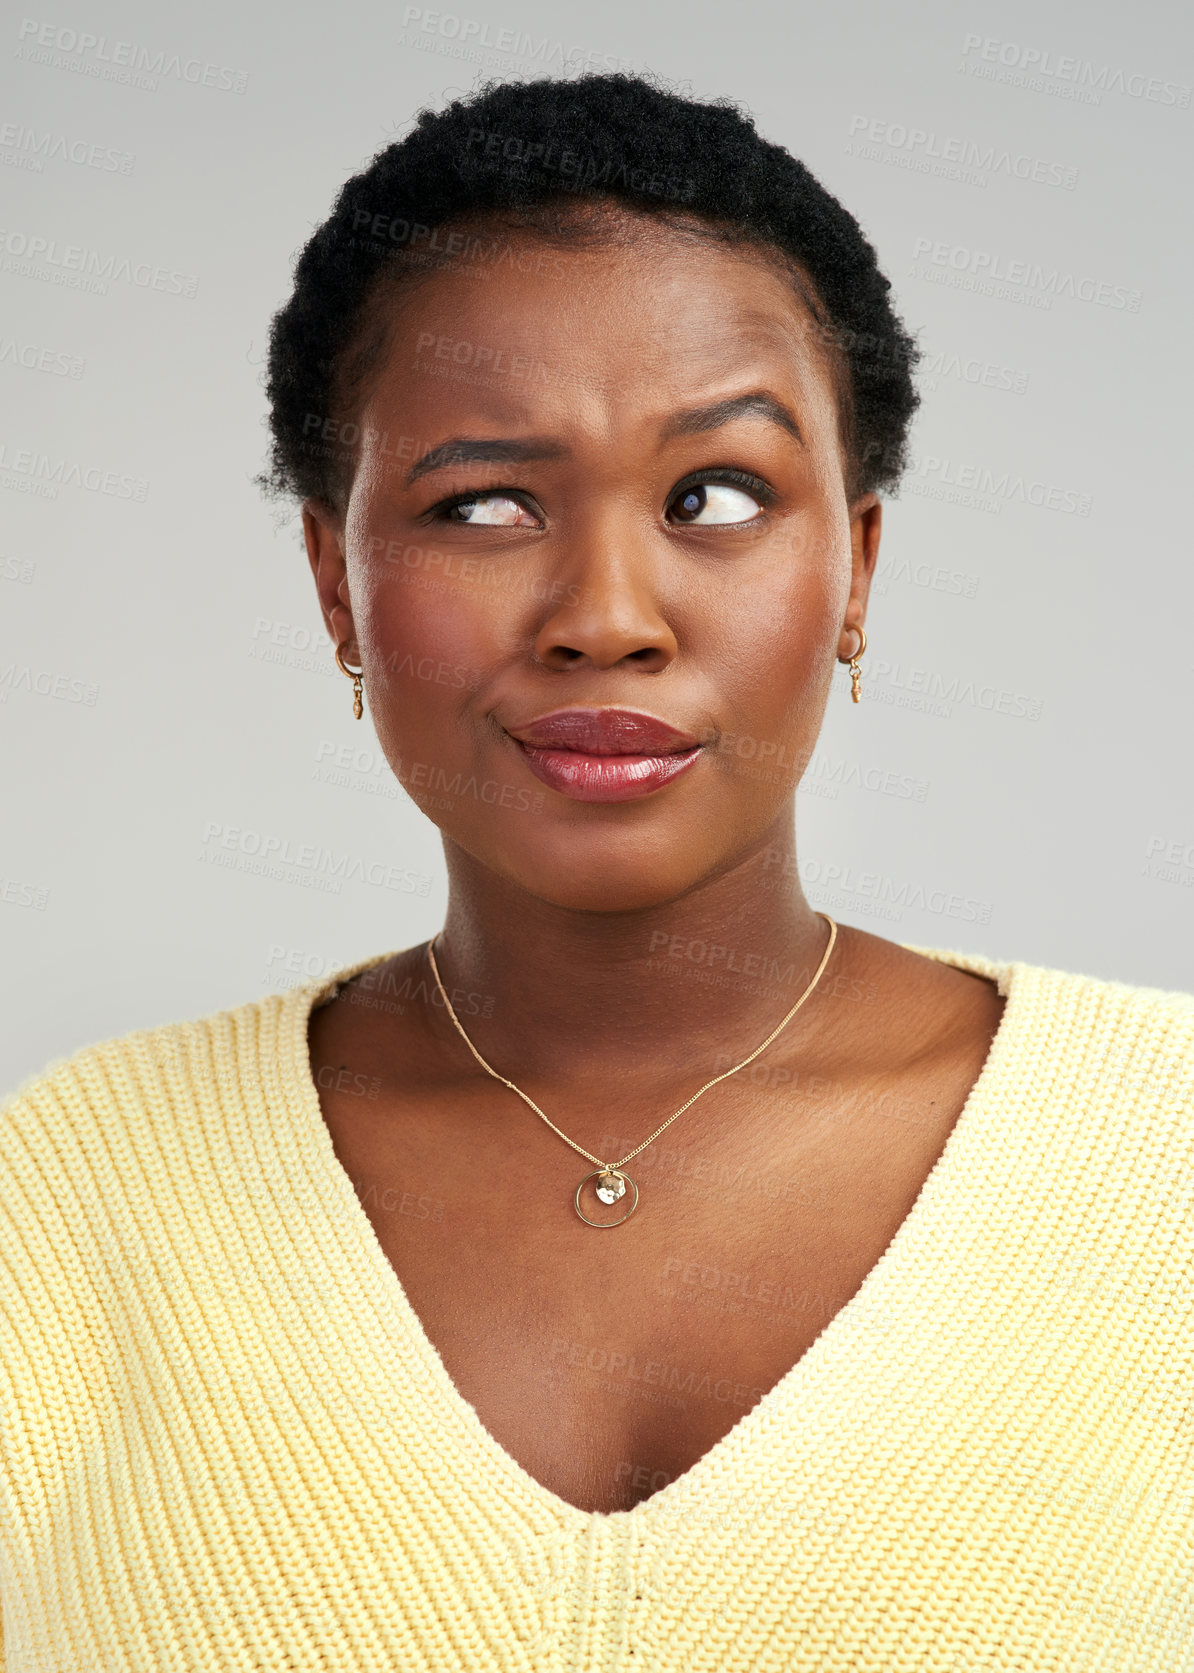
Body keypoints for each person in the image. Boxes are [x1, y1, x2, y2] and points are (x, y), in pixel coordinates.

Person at [2, 71, 1191, 1673]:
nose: (605, 612)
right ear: (335, 584)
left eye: (715, 495)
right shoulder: (64, 1196)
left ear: (856, 565)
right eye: (482, 502)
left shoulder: (1165, 1152)